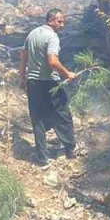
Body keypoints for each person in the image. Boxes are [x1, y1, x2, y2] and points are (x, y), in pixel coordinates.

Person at [19, 9, 81, 166]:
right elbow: (52, 62)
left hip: (32, 83)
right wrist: (67, 73)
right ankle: (71, 147)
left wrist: (21, 77)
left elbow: (24, 56)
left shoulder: (32, 33)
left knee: (37, 118)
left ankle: (42, 157)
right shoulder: (52, 37)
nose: (62, 25)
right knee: (63, 114)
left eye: (63, 21)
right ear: (51, 21)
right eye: (60, 21)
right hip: (49, 83)